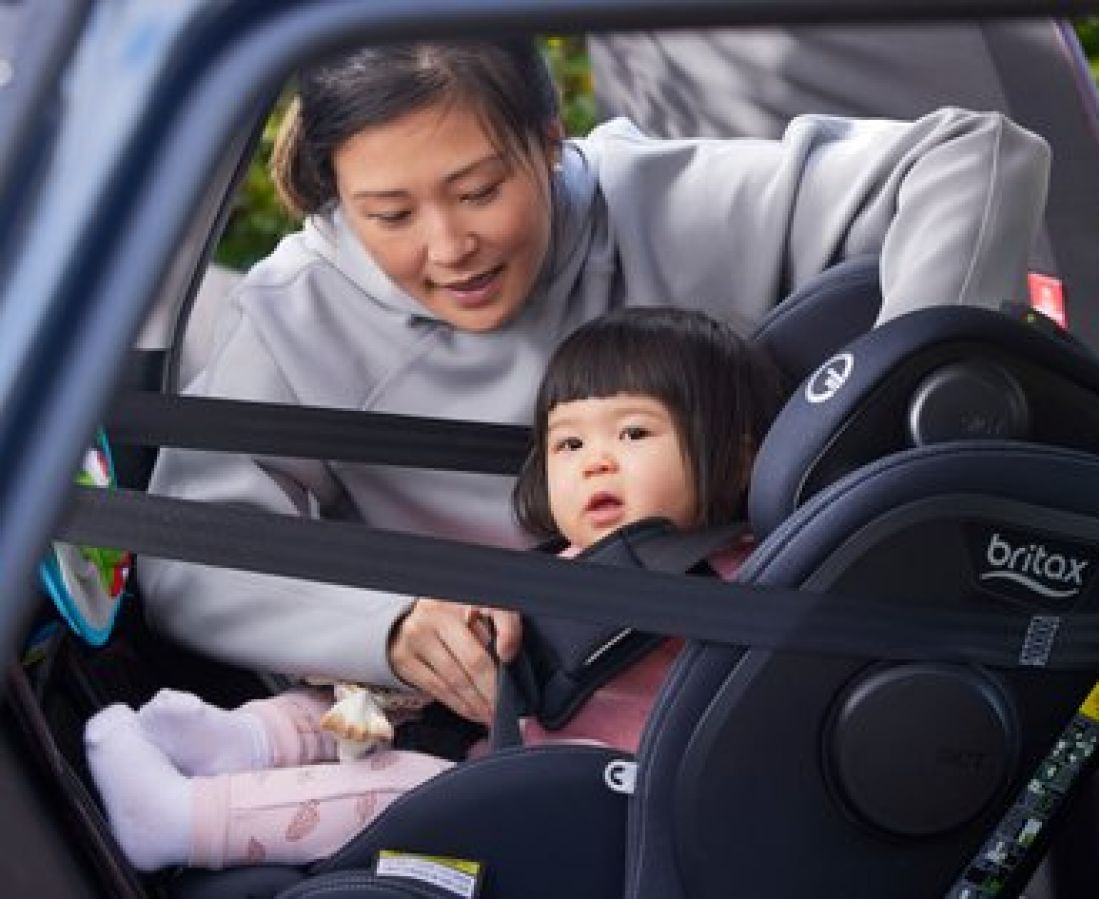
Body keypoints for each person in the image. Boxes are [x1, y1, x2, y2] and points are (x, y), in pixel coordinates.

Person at [137, 37, 1051, 726]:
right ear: (337, 193)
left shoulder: (653, 204)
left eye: (480, 190)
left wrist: (883, 433)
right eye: (390, 214)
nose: (449, 247)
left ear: (547, 139)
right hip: (497, 719)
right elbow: (188, 560)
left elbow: (980, 155)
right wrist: (388, 623)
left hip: (744, 672)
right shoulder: (296, 314)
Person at [86, 307, 788, 870]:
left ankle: (185, 820)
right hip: (501, 736)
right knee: (362, 692)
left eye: (633, 432)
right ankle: (246, 742)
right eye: (568, 444)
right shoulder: (582, 555)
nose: (595, 460)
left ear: (735, 455)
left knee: (408, 785)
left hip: (586, 798)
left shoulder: (724, 575)